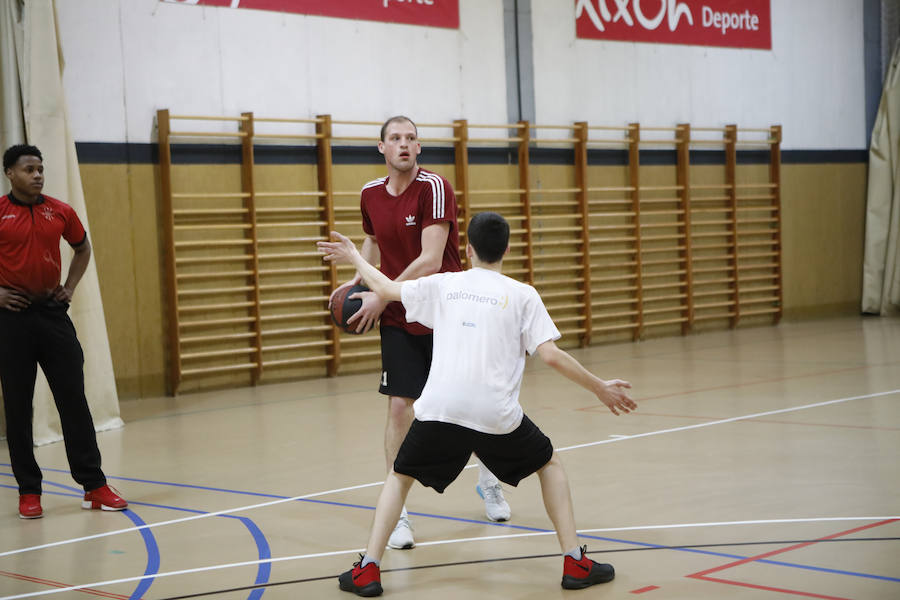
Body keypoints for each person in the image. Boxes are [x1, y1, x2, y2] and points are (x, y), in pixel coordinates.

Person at [318, 212, 637, 596]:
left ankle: (368, 570)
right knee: (549, 464)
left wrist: (355, 256)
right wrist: (599, 387)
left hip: (440, 409)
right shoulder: (523, 295)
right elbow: (550, 356)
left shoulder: (445, 285)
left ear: (467, 250)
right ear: (506, 249)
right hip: (495, 416)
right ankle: (575, 562)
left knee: (399, 476)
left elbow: (385, 288)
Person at [330, 116, 511, 549]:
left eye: (411, 138)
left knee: (465, 404)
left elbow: (431, 260)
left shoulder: (434, 188)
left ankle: (488, 479)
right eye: (396, 139)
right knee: (399, 410)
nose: (404, 145)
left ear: (418, 147)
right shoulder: (369, 194)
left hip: (445, 312)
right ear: (382, 148)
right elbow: (372, 244)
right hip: (398, 316)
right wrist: (359, 284)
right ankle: (400, 514)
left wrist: (384, 294)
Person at [0, 144, 127, 519]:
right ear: (10, 173)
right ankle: (29, 490)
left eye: (40, 168)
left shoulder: (60, 210)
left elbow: (82, 248)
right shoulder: (1, 212)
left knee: (73, 399)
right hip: (12, 320)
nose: (37, 175)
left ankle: (94, 485)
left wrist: (69, 287)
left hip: (53, 315)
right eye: (28, 169)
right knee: (19, 406)